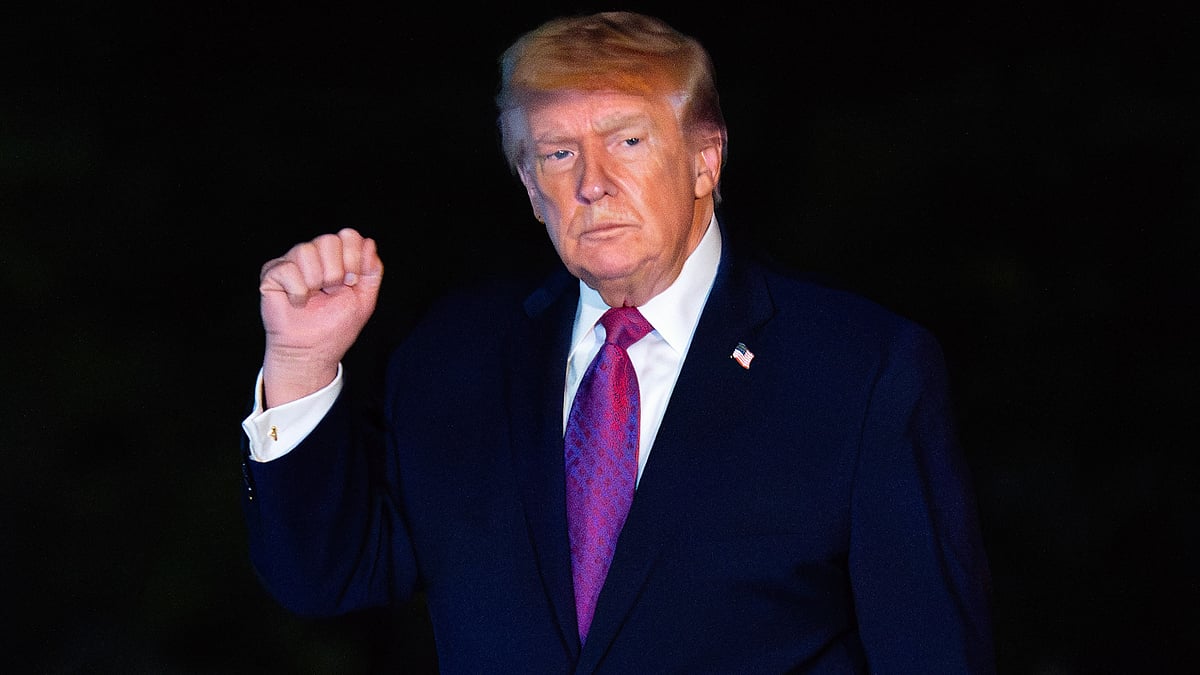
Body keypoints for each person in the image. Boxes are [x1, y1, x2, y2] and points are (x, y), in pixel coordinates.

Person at [241, 11, 995, 673]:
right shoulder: (454, 360)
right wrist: (302, 365)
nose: (591, 183)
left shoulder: (858, 370)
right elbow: (325, 577)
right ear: (531, 189)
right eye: (559, 154)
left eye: (626, 140)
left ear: (706, 160)